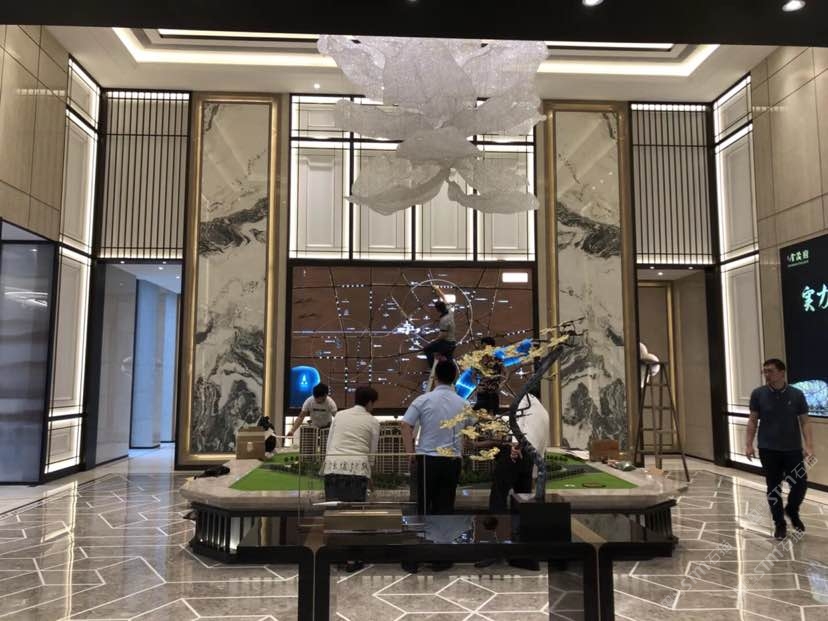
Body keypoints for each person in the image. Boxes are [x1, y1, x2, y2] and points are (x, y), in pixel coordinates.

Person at [401, 360, 468, 573]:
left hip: (427, 460)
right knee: (445, 508)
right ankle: (442, 557)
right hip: (452, 461)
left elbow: (405, 424)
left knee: (421, 507)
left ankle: (416, 557)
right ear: (455, 377)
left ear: (436, 377)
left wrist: (410, 453)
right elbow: (468, 431)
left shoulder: (423, 399)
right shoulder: (463, 403)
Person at [745, 358, 814, 540]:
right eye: (765, 371)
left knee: (800, 484)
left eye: (770, 371)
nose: (767, 374)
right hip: (768, 449)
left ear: (782, 373)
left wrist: (809, 445)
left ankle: (791, 510)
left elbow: (805, 421)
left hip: (792, 449)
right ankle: (779, 523)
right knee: (773, 487)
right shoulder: (758, 394)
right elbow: (752, 420)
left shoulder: (796, 394)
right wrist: (748, 444)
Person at [487, 390, 550, 513]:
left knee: (498, 494)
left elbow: (518, 422)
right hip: (529, 458)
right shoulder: (544, 412)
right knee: (523, 499)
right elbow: (542, 446)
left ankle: (498, 521)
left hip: (517, 451)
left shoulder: (525, 398)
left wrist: (515, 446)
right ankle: (521, 524)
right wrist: (534, 471)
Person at [322, 386, 380, 503]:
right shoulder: (374, 422)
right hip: (358, 470)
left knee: (333, 509)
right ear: (370, 402)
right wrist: (370, 476)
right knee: (354, 510)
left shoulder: (339, 415)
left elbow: (329, 444)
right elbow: (371, 454)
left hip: (332, 467)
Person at [474, 336, 503, 415]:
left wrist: (501, 385)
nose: (483, 349)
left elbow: (505, 373)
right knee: (482, 415)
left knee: (493, 415)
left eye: (485, 347)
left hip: (493, 391)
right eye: (483, 347)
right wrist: (477, 386)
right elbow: (473, 375)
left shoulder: (497, 360)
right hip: (482, 392)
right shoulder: (479, 360)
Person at [423, 301, 456, 367]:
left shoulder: (444, 320)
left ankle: (433, 366)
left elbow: (443, 336)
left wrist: (434, 340)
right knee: (448, 359)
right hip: (453, 341)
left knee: (427, 349)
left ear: (438, 310)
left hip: (447, 343)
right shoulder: (450, 312)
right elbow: (448, 304)